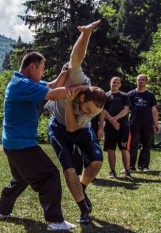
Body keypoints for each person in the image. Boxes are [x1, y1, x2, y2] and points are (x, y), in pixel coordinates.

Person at [0, 52, 86, 231]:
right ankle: (54, 221)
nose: (43, 73)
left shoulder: (26, 83)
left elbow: (51, 86)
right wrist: (84, 89)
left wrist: (64, 72)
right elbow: (53, 94)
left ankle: (2, 211)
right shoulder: (21, 84)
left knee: (21, 178)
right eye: (42, 69)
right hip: (22, 144)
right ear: (32, 67)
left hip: (12, 143)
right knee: (50, 175)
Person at [45, 20, 106, 224]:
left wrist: (71, 105)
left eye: (94, 112)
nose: (90, 113)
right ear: (83, 97)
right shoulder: (78, 80)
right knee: (69, 169)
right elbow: (76, 58)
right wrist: (86, 34)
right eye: (88, 109)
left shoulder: (91, 110)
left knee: (96, 162)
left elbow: (74, 127)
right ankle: (83, 209)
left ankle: (82, 188)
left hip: (78, 128)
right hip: (58, 127)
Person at [98, 77, 132, 179]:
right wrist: (112, 122)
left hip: (123, 127)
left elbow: (126, 110)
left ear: (120, 85)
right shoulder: (105, 96)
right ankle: (112, 171)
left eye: (118, 83)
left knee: (124, 149)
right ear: (110, 83)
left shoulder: (124, 96)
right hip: (109, 127)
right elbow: (102, 110)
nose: (115, 84)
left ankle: (127, 172)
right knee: (110, 149)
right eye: (114, 82)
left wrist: (116, 119)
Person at [128, 74, 159, 172]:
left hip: (147, 124)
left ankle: (144, 166)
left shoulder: (150, 95)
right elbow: (126, 110)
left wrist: (156, 124)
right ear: (136, 81)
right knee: (133, 145)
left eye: (142, 80)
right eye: (138, 80)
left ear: (146, 82)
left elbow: (154, 110)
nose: (140, 81)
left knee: (146, 145)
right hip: (134, 124)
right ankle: (131, 166)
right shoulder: (130, 94)